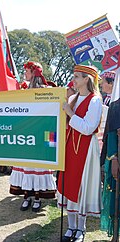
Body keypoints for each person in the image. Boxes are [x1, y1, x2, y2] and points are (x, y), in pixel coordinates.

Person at [57, 65, 103, 241]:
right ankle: (71, 226)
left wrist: (69, 112)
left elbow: (88, 128)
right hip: (69, 147)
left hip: (85, 149)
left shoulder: (95, 100)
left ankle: (81, 229)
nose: (73, 79)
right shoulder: (74, 97)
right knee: (68, 184)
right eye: (74, 76)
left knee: (82, 186)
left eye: (77, 77)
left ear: (86, 79)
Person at [9, 61, 57, 212]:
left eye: (27, 72)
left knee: (38, 165)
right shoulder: (24, 90)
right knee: (26, 165)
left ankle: (37, 198)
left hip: (41, 134)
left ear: (34, 73)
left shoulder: (47, 91)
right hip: (27, 134)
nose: (25, 75)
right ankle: (26, 196)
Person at [100, 67, 120, 239]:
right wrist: (114, 158)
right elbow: (112, 135)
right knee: (116, 200)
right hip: (118, 160)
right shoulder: (116, 106)